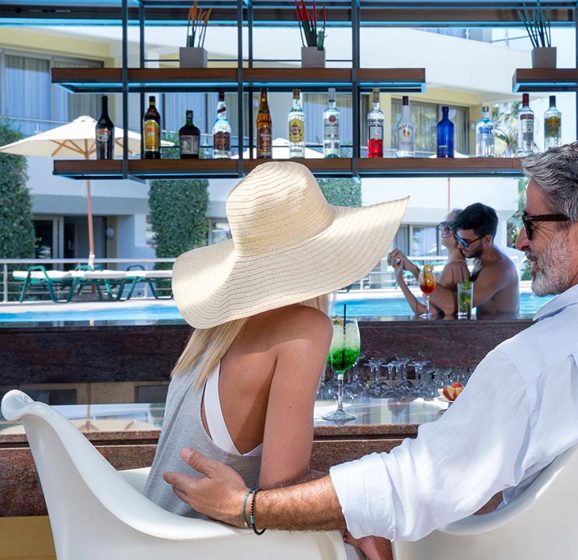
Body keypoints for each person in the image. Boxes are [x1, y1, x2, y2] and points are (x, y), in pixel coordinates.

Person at [164, 144, 578, 547]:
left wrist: (249, 507)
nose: (519, 240)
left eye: (532, 224)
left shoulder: (533, 365)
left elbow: (413, 486)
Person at [143, 161, 406, 555]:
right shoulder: (306, 328)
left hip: (147, 539)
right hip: (211, 548)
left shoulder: (213, 330)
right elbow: (281, 493)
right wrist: (357, 512)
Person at [420, 202, 519, 318]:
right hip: (486, 332)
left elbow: (454, 306)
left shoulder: (500, 269)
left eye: (465, 242)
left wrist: (420, 275)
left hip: (501, 334)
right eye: (459, 239)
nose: (459, 246)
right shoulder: (480, 261)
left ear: (487, 239)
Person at [389, 210, 470, 318]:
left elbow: (428, 312)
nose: (444, 230)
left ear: (462, 233)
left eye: (450, 226)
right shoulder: (455, 266)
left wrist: (400, 280)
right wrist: (411, 269)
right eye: (444, 225)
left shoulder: (454, 267)